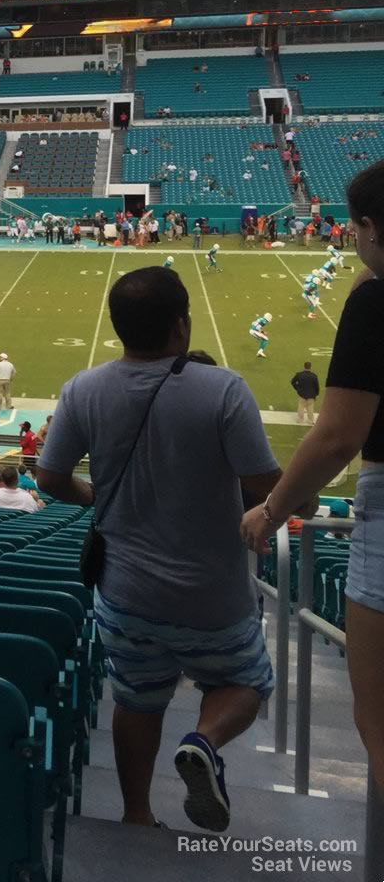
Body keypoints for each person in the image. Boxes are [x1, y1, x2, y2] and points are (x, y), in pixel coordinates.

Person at [36, 265, 281, 833]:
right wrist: (294, 501)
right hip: (211, 595)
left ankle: (137, 815)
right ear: (181, 324)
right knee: (246, 682)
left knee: (136, 699)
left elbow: (48, 479)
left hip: (123, 592)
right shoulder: (222, 389)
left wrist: (95, 496)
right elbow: (268, 484)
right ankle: (204, 740)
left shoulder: (82, 388)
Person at [241, 160, 384, 786]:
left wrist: (271, 510)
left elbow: (336, 439)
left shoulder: (376, 300)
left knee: (379, 723)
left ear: (371, 229)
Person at [291, 360, 320, 425]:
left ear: (304, 366)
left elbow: (293, 382)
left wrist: (297, 388)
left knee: (301, 406)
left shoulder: (299, 375)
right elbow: (317, 386)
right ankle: (310, 420)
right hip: (311, 395)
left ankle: (300, 419)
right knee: (310, 407)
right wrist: (316, 394)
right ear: (310, 367)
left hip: (302, 393)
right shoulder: (314, 376)